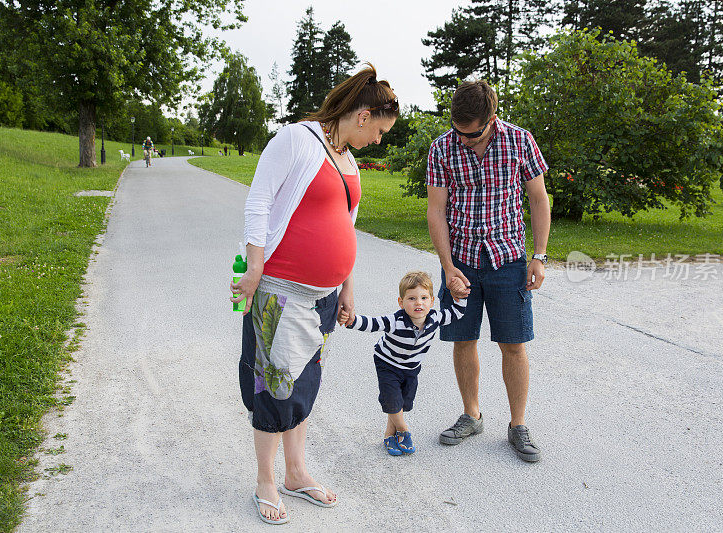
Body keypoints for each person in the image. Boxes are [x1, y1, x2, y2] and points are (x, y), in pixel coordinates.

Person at [230, 63, 399, 525]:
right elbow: (259, 201)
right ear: (362, 115)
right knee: (271, 387)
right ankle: (266, 480)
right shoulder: (296, 140)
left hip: (324, 297)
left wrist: (347, 284)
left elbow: (347, 226)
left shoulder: (347, 160)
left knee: (303, 385)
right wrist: (255, 264)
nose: (379, 141)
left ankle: (296, 472)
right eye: (380, 130)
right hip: (280, 291)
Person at [426, 80, 551, 463]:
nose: (464, 140)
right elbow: (436, 210)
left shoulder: (520, 141)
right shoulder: (442, 148)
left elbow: (538, 198)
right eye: (458, 131)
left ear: (492, 118)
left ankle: (517, 425)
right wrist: (447, 267)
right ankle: (472, 414)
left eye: (473, 133)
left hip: (508, 260)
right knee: (463, 340)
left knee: (513, 344)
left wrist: (540, 255)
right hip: (461, 260)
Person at [338, 271, 466, 456]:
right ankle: (404, 431)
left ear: (431, 301)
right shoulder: (395, 321)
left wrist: (461, 296)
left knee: (403, 402)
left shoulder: (435, 319)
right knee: (392, 400)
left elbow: (457, 313)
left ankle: (390, 435)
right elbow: (372, 324)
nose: (418, 303)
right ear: (401, 302)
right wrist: (351, 320)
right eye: (412, 298)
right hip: (387, 364)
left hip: (411, 368)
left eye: (423, 298)